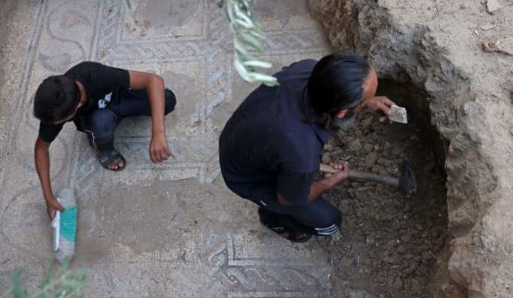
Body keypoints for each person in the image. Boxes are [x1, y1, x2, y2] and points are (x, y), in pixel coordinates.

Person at [219, 52, 394, 242]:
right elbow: (288, 198)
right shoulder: (302, 151)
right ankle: (273, 218)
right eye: (362, 102)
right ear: (343, 112)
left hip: (240, 135)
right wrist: (327, 183)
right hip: (242, 175)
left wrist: (367, 101)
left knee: (291, 167)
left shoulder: (307, 69)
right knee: (330, 223)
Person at [33, 62, 176, 219]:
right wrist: (48, 197)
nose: (54, 125)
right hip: (97, 120)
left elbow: (154, 80)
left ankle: (118, 117)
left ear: (77, 106)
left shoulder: (93, 73)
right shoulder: (53, 109)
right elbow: (41, 148)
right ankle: (101, 147)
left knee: (167, 100)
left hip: (118, 98)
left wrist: (158, 133)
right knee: (102, 124)